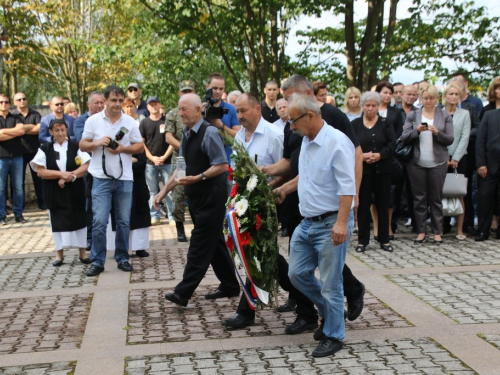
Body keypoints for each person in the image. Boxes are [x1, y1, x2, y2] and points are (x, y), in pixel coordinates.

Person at [262, 75, 365, 327]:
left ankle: (333, 328)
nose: (286, 106)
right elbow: (299, 168)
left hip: (331, 209)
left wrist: (350, 203)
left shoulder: (333, 123)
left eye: (290, 99)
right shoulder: (302, 133)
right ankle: (324, 312)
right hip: (306, 207)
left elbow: (355, 157)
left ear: (308, 96)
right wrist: (276, 182)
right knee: (299, 272)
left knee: (331, 277)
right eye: (285, 100)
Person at [277, 93, 355, 358]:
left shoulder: (336, 142)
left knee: (332, 284)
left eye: (293, 121)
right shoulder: (308, 141)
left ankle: (334, 335)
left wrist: (342, 223)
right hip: (307, 222)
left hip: (333, 220)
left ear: (310, 116)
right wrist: (285, 188)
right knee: (296, 275)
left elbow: (348, 187)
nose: (291, 127)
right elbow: (306, 176)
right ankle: (331, 312)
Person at [154, 93, 240, 307]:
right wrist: (164, 190)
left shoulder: (210, 132)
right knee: (215, 241)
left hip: (213, 195)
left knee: (200, 243)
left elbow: (221, 165)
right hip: (196, 196)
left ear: (197, 110)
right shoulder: (185, 132)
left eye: (184, 109)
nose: (180, 113)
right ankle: (230, 285)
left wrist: (200, 177)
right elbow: (181, 167)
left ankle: (183, 292)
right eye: (179, 109)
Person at [79, 85, 144, 276]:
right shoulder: (93, 121)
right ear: (105, 101)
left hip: (124, 178)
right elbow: (82, 145)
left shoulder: (129, 122)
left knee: (123, 221)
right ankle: (97, 261)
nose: (117, 104)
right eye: (113, 100)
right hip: (100, 178)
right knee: (99, 221)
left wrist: (122, 149)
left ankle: (122, 258)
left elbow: (140, 146)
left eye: (120, 100)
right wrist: (98, 143)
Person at [30, 119, 91, 266]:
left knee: (79, 220)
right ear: (51, 132)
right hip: (54, 192)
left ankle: (82, 254)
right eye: (56, 130)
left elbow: (87, 165)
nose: (60, 133)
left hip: (74, 190)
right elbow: (40, 171)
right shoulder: (45, 148)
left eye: (62, 130)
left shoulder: (75, 146)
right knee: (57, 222)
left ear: (67, 130)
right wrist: (61, 175)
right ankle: (59, 255)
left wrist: (70, 176)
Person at [401, 85, 454, 244]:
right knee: (419, 199)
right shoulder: (413, 114)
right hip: (417, 162)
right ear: (420, 99)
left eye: (431, 98)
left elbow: (450, 139)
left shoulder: (444, 115)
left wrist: (437, 132)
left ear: (437, 99)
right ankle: (421, 231)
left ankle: (437, 231)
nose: (428, 101)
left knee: (436, 198)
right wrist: (416, 130)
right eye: (425, 98)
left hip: (438, 162)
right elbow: (404, 138)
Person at [352, 92, 396, 253]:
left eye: (373, 106)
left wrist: (380, 155)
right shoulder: (356, 124)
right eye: (367, 105)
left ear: (378, 107)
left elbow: (392, 144)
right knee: (363, 205)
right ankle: (362, 240)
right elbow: (350, 144)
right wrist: (361, 156)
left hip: (382, 169)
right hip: (363, 171)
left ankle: (384, 239)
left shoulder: (386, 123)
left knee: (383, 204)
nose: (370, 109)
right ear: (363, 106)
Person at [73, 91, 105, 251]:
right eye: (96, 103)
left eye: (102, 102)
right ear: (89, 104)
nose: (99, 106)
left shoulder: (112, 119)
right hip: (90, 170)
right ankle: (90, 238)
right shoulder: (80, 121)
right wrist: (102, 140)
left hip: (110, 169)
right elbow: (84, 143)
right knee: (90, 205)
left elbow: (118, 138)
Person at [165, 80, 196, 242]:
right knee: (178, 194)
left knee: (197, 192)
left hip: (197, 158)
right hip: (181, 159)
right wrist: (185, 148)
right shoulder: (172, 114)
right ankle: (180, 228)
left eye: (190, 91)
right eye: (184, 92)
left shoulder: (198, 113)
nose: (186, 94)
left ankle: (197, 226)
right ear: (179, 94)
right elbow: (168, 136)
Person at [106, 150, 151, 257]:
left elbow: (141, 164)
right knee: (120, 216)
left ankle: (139, 247)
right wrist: (129, 161)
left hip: (137, 187)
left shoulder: (137, 145)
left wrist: (124, 163)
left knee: (139, 216)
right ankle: (120, 248)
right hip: (117, 184)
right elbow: (112, 165)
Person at [442, 82, 471, 240]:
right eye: (450, 94)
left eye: (456, 94)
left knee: (459, 193)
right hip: (440, 158)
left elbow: (464, 138)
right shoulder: (439, 113)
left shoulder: (465, 114)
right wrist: (445, 157)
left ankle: (459, 230)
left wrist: (456, 158)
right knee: (440, 193)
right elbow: (437, 137)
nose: (453, 97)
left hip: (460, 159)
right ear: (445, 96)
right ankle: (440, 228)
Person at [139, 96, 174, 226]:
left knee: (170, 190)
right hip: (150, 164)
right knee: (152, 191)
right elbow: (142, 144)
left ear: (159, 105)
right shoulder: (144, 123)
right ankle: (155, 215)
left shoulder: (167, 121)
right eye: (151, 104)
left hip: (167, 161)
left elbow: (172, 141)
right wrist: (152, 158)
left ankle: (172, 216)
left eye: (155, 104)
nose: (153, 107)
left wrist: (164, 156)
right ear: (147, 107)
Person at [12, 92, 45, 210]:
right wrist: (31, 127)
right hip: (18, 151)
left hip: (34, 151)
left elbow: (39, 129)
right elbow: (14, 131)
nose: (22, 101)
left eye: (24, 99)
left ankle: (42, 203)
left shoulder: (35, 113)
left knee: (38, 179)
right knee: (18, 181)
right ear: (14, 102)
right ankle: (20, 206)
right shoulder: (12, 116)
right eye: (19, 99)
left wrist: (21, 129)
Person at [0, 94, 25, 225]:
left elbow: (21, 131)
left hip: (17, 156)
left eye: (6, 102)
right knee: (0, 188)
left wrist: (4, 132)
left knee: (18, 187)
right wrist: (13, 132)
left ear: (10, 104)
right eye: (1, 102)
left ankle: (18, 214)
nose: (4, 104)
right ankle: (1, 215)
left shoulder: (16, 117)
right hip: (1, 157)